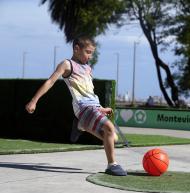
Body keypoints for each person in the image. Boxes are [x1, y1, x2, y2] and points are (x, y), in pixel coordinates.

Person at [25, 36, 127, 176]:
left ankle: (80, 125)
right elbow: (50, 82)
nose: (90, 56)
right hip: (83, 107)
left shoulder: (88, 68)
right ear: (76, 49)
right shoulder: (67, 64)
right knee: (109, 128)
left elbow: (89, 93)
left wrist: (101, 108)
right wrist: (34, 100)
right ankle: (112, 165)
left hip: (93, 107)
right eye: (88, 52)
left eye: (92, 53)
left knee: (112, 138)